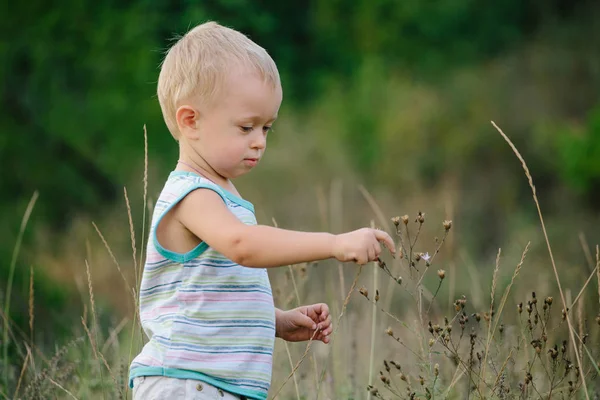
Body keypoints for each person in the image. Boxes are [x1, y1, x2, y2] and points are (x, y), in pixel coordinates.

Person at [129, 21, 396, 400]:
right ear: (191, 121)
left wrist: (276, 321)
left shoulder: (223, 195)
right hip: (184, 382)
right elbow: (244, 245)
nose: (259, 142)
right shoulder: (192, 195)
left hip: (214, 384)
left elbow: (212, 296)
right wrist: (334, 243)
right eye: (245, 127)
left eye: (266, 128)